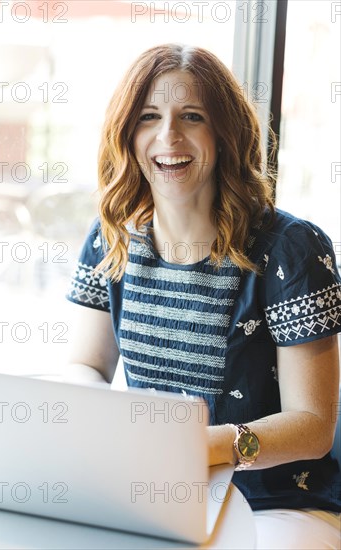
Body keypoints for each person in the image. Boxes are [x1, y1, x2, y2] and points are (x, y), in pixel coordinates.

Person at [65, 44, 341, 548]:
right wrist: (83, 415)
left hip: (275, 501)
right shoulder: (111, 239)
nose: (168, 136)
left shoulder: (292, 249)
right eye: (149, 117)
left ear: (224, 132)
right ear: (128, 134)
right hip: (152, 489)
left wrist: (211, 446)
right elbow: (87, 364)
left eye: (191, 116)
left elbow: (314, 425)